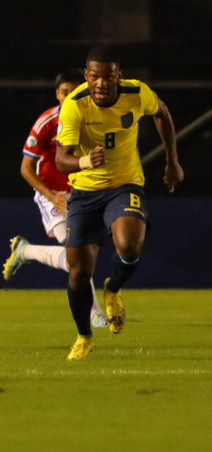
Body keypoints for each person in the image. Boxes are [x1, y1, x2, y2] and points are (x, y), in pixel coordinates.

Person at [55, 46, 183, 360]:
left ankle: (112, 288)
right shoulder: (74, 105)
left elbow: (162, 113)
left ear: (118, 76)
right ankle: (84, 336)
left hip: (125, 184)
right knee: (78, 273)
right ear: (87, 76)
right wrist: (85, 161)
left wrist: (172, 161)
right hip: (84, 192)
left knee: (129, 246)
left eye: (107, 77)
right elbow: (61, 160)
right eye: (94, 76)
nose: (100, 83)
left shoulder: (136, 93)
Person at [3, 69, 107, 328]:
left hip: (83, 192)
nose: (69, 96)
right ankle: (95, 313)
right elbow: (25, 168)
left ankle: (25, 251)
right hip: (53, 195)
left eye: (74, 91)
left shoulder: (92, 117)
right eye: (64, 92)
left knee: (81, 256)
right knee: (77, 256)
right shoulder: (47, 121)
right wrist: (51, 196)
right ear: (57, 94)